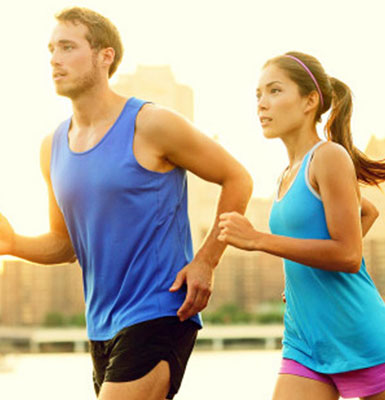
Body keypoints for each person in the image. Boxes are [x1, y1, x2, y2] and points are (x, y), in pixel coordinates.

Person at [0, 7, 253, 400]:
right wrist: (13, 243)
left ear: (106, 56)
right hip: (99, 326)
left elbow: (237, 178)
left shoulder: (152, 124)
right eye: (51, 48)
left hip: (160, 310)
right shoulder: (51, 147)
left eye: (68, 47)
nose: (54, 58)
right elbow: (65, 244)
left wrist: (207, 260)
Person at [218, 51, 385, 400]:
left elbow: (349, 254)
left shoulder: (329, 157)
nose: (262, 104)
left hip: (359, 335)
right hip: (305, 341)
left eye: (275, 91)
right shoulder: (286, 173)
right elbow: (366, 211)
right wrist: (303, 271)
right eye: (258, 95)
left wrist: (258, 240)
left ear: (310, 100)